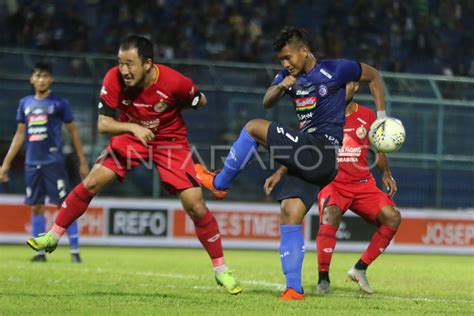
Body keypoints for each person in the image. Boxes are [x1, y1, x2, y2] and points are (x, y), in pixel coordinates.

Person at [26, 35, 242, 295]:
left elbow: (200, 100)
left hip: (170, 141)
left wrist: (192, 101)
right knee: (93, 180)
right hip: (131, 135)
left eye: (130, 64)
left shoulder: (174, 82)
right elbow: (103, 124)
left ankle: (221, 270)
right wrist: (133, 127)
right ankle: (54, 234)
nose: (124, 70)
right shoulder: (113, 79)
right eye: (120, 63)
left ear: (148, 64)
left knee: (195, 205)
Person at [195, 26, 388, 300]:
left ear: (304, 51)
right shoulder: (286, 76)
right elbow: (266, 101)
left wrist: (381, 118)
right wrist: (280, 86)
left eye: (288, 57)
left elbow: (375, 76)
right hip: (311, 156)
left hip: (321, 150)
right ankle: (294, 289)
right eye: (281, 60)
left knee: (252, 128)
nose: (286, 64)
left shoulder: (336, 70)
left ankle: (218, 183)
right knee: (290, 211)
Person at [265, 82, 401, 295]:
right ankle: (323, 279)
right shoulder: (320, 114)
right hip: (333, 183)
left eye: (345, 85)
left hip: (363, 183)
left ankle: (360, 268)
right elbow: (301, 148)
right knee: (330, 217)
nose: (339, 90)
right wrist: (279, 173)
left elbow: (379, 148)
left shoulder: (367, 115)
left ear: (355, 86)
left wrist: (385, 173)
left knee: (392, 218)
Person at [0, 62, 89, 263]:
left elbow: (73, 132)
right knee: (36, 206)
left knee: (64, 205)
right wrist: (6, 163)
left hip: (53, 162)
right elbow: (20, 134)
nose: (41, 80)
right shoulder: (25, 103)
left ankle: (75, 251)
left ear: (51, 79)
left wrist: (82, 161)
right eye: (38, 76)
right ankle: (40, 253)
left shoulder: (59, 103)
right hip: (32, 163)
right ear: (31, 79)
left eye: (45, 76)